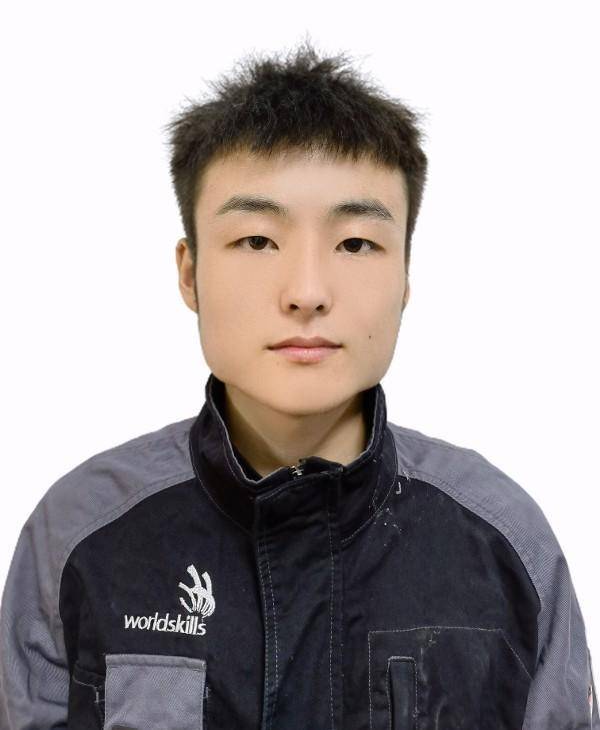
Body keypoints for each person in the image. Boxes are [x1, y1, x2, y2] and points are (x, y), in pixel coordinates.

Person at [0, 38, 597, 729]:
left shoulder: (505, 547)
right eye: (256, 240)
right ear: (189, 273)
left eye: (355, 243)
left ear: (406, 275)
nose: (307, 291)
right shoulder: (80, 536)